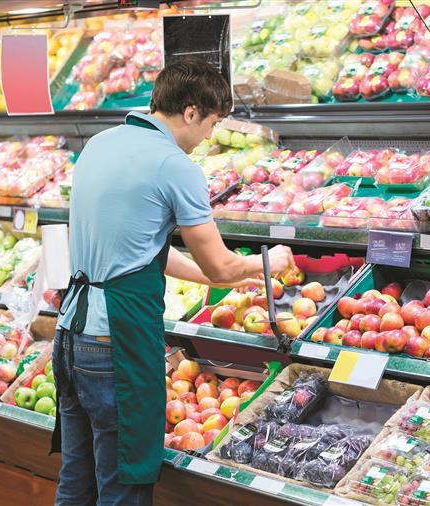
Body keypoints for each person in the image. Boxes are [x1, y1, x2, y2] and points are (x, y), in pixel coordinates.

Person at [53, 56, 295, 506]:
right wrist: (266, 262)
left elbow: (139, 253)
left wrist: (230, 280)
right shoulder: (174, 165)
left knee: (77, 479)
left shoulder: (101, 144)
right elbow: (222, 266)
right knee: (122, 483)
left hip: (72, 335)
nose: (208, 138)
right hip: (116, 345)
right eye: (212, 124)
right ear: (190, 112)